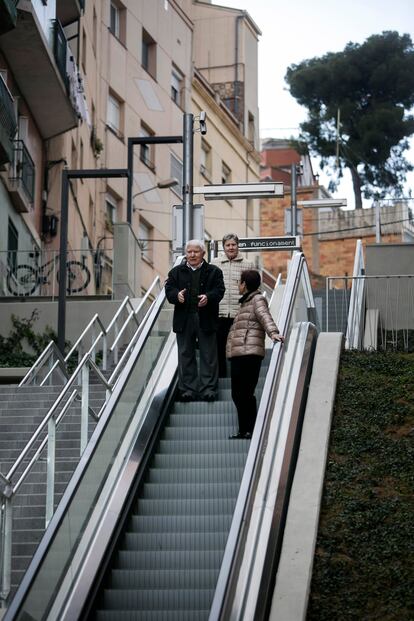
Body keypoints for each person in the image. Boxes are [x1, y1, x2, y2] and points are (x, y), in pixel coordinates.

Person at [226, 269, 284, 439]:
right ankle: (244, 430)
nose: (238, 285)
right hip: (239, 354)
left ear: (244, 284)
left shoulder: (257, 300)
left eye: (239, 282)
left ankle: (251, 430)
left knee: (245, 393)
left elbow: (265, 316)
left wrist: (273, 333)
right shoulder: (246, 302)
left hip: (249, 354)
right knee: (238, 394)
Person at [165, 239, 225, 402]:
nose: (192, 255)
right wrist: (176, 295)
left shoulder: (214, 271)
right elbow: (169, 290)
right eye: (189, 252)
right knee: (185, 354)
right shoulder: (175, 272)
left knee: (209, 355)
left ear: (203, 253)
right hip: (184, 320)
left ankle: (209, 390)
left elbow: (220, 291)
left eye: (196, 251)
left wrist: (209, 297)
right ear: (185, 254)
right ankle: (188, 390)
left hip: (206, 318)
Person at [211, 233, 254, 377]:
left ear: (238, 246)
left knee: (238, 348)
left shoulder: (248, 264)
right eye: (228, 245)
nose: (231, 247)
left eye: (233, 244)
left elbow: (253, 289)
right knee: (219, 347)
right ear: (223, 247)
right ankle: (221, 376)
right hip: (219, 313)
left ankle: (238, 377)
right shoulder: (214, 264)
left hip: (239, 314)